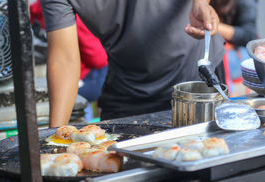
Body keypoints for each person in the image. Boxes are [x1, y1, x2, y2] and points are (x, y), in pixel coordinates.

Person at [40, 0, 226, 127]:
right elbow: (64, 59)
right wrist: (53, 138)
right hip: (128, 89)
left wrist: (200, 2)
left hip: (195, 80)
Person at [30, 0, 108, 121]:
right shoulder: (73, 13)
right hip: (78, 80)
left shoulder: (36, 10)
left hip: (48, 79)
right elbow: (98, 59)